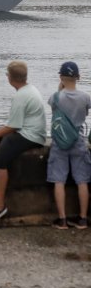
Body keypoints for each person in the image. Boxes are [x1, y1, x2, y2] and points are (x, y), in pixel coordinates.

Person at [0, 60, 46, 224]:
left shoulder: (21, 96)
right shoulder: (29, 89)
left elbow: (14, 126)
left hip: (30, 135)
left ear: (10, 78)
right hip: (34, 132)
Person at [46, 61, 91, 230]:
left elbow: (55, 113)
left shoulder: (55, 97)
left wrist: (60, 90)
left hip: (60, 143)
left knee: (59, 180)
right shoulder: (85, 97)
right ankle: (83, 219)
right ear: (78, 77)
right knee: (82, 181)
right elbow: (85, 112)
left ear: (60, 77)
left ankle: (62, 220)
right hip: (78, 140)